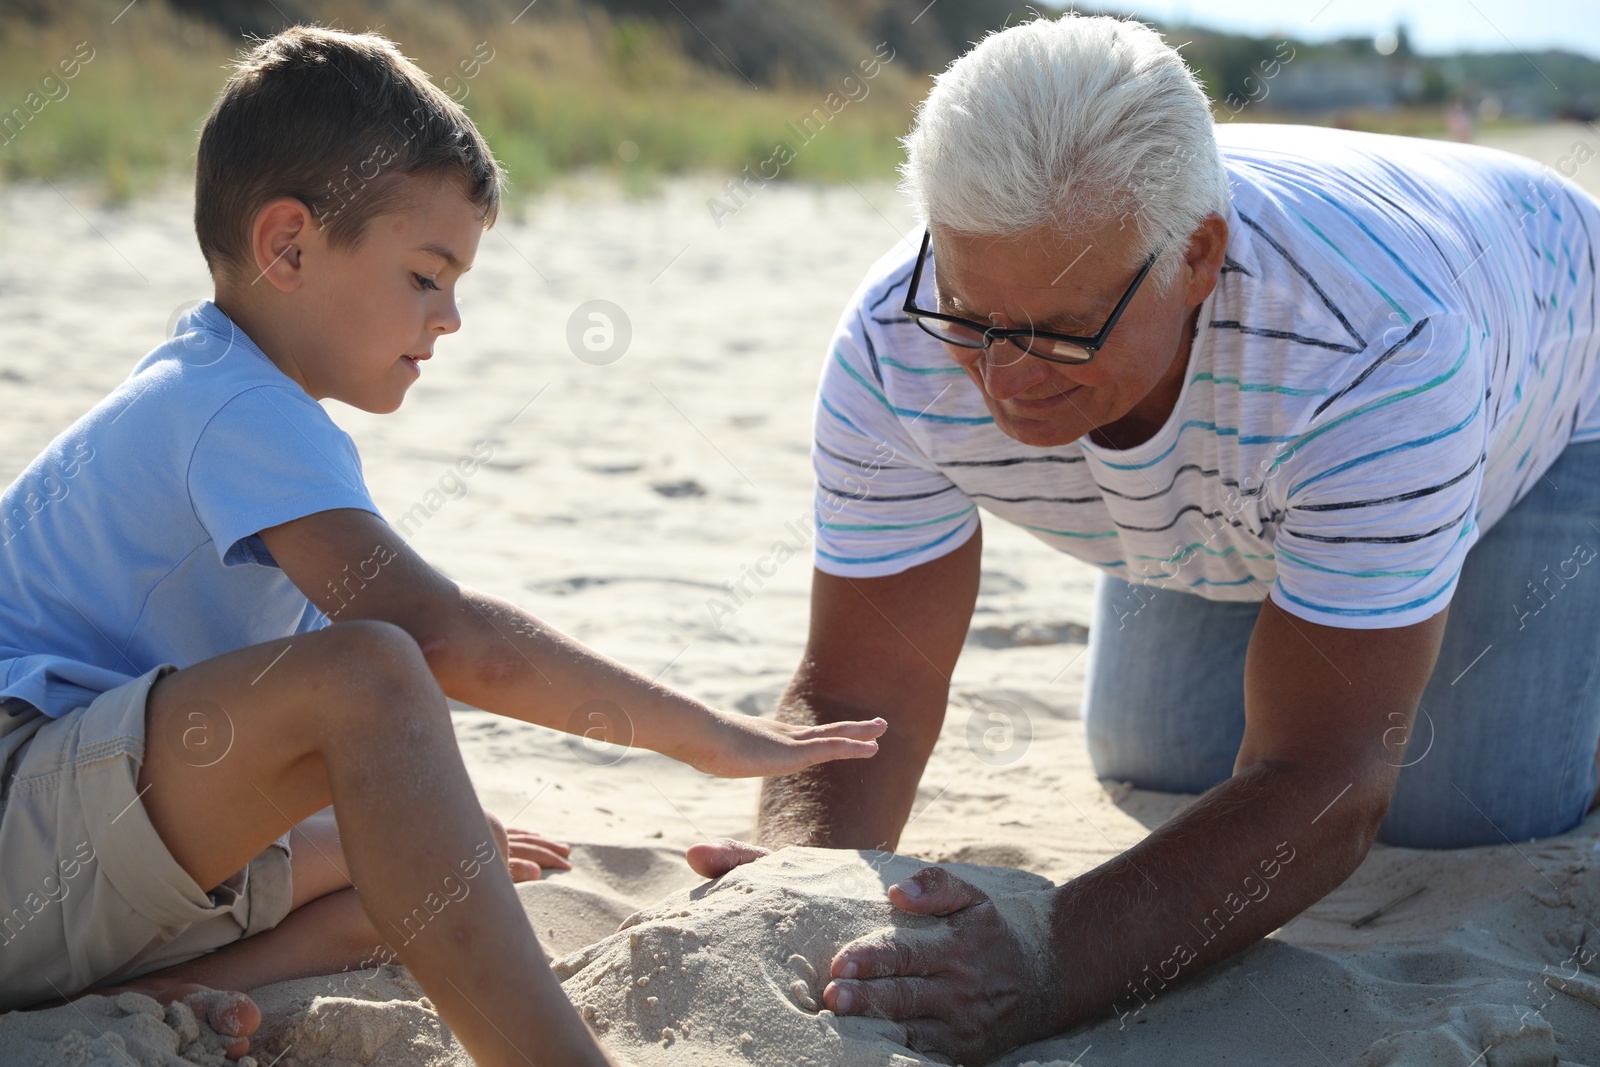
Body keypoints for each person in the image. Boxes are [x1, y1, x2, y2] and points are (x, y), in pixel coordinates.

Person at [687, 13, 1600, 1064]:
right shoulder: (897, 334)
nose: (1007, 377)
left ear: (1198, 254)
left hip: (1544, 386)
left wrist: (1048, 958)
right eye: (972, 315)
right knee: (1156, 757)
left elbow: (1328, 776)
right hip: (1247, 466)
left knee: (1465, 803)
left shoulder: (1379, 349)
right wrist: (796, 878)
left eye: (1064, 327)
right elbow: (863, 680)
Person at [0, 26, 886, 1067]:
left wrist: (431, 835)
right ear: (288, 246)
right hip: (26, 813)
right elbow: (448, 638)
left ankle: (151, 991)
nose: (451, 316)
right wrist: (708, 735)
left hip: (93, 846)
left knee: (424, 880)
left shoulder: (247, 399)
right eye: (427, 275)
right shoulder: (229, 403)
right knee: (373, 674)